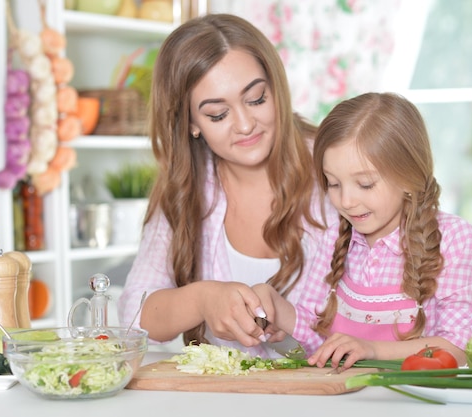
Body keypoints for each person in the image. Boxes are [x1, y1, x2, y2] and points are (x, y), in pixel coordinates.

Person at [117, 13, 338, 357]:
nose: (246, 124)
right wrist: (202, 299)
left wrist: (294, 318)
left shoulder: (335, 164)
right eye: (218, 115)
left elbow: (402, 301)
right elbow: (134, 314)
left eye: (257, 99)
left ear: (276, 88)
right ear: (190, 123)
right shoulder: (188, 187)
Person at [255, 92, 472, 367]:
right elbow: (318, 337)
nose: (346, 201)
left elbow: (458, 345)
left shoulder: (452, 239)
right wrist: (278, 308)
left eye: (365, 184)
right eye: (333, 184)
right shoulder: (332, 235)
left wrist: (371, 349)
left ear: (408, 177)